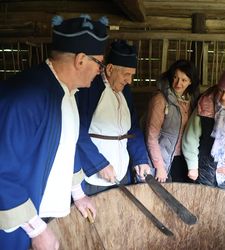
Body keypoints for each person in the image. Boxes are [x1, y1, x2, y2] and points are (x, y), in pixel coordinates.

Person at [0, 14, 108, 250]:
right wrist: (37, 229)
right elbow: (2, 171)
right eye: (99, 63)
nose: (100, 71)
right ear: (81, 60)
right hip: (15, 224)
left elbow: (66, 149)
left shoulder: (67, 93)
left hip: (40, 212)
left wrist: (78, 194)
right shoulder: (26, 97)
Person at [76, 40, 150, 195]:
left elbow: (133, 127)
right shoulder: (89, 89)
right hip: (94, 172)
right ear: (110, 69)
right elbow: (77, 132)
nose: (129, 80)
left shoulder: (125, 91)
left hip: (122, 170)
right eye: (126, 74)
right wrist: (99, 164)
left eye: (131, 75)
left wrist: (140, 158)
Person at [144, 59, 199, 182]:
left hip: (183, 158)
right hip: (164, 157)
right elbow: (151, 137)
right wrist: (159, 167)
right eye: (175, 78)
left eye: (184, 80)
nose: (178, 83)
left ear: (191, 82)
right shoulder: (160, 100)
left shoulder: (191, 101)